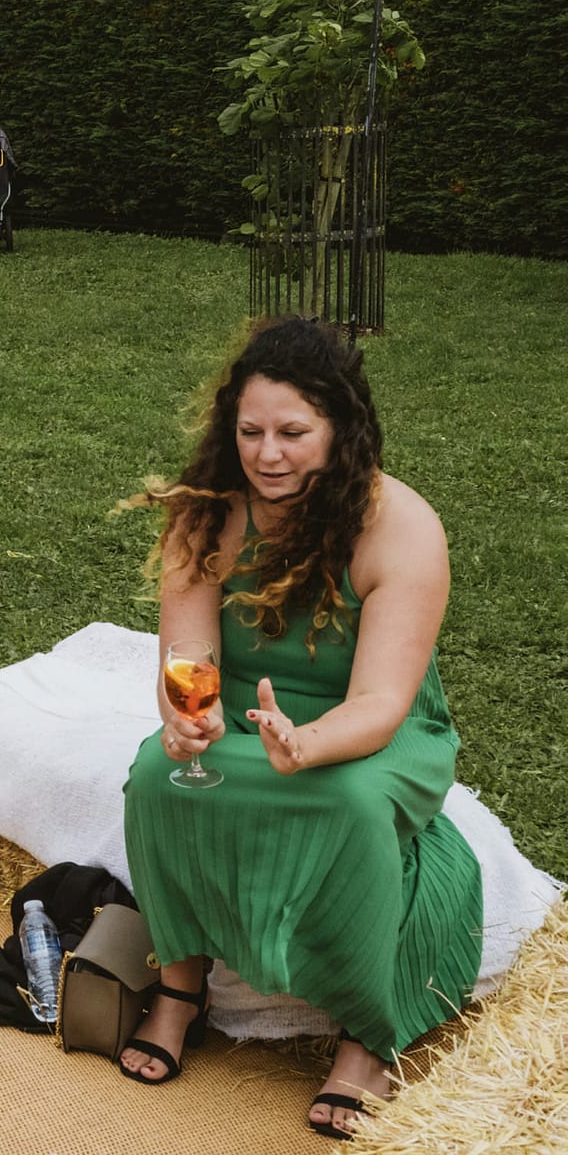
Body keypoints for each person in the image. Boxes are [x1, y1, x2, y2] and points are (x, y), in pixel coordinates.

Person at [121, 317, 482, 1140]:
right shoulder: (205, 514)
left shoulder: (403, 527)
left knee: (351, 802)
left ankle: (365, 1036)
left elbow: (382, 704)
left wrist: (306, 746)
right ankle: (181, 987)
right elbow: (188, 658)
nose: (268, 454)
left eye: (293, 432)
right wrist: (186, 720)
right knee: (155, 774)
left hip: (369, 730)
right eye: (250, 432)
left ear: (342, 430)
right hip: (250, 712)